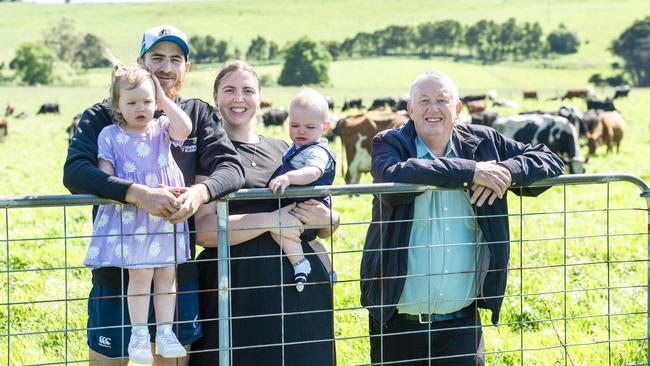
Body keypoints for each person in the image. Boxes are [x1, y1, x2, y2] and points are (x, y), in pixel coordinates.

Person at [63, 24, 244, 365]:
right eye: (157, 57)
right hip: (117, 268)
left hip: (172, 269)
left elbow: (231, 169)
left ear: (186, 68)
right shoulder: (104, 115)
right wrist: (136, 194)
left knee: (168, 358)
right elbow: (75, 172)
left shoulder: (195, 114)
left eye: (175, 59)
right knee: (109, 359)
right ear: (140, 62)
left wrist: (198, 194)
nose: (165, 66)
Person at [360, 70, 564, 365]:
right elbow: (391, 180)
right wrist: (471, 172)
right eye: (425, 100)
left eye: (442, 100)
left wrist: (505, 172)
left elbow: (549, 160)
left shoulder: (484, 142)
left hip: (461, 324)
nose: (433, 108)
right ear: (410, 109)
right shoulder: (390, 143)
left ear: (457, 109)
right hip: (397, 320)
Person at [191, 60, 339, 365]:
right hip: (235, 291)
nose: (239, 98)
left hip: (298, 291)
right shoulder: (208, 151)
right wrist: (271, 220)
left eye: (248, 90)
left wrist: (329, 220)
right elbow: (204, 230)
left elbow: (323, 220)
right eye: (229, 90)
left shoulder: (286, 149)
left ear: (260, 97)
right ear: (216, 96)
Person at [84, 64, 193, 364]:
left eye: (146, 101)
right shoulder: (110, 135)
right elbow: (106, 177)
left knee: (167, 274)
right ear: (117, 105)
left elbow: (184, 127)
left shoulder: (161, 128)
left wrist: (162, 99)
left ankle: (166, 331)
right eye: (131, 102)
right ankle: (140, 335)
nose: (141, 108)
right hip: (134, 217)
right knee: (142, 273)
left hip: (165, 215)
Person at [268, 87, 336, 291]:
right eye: (294, 125)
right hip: (301, 203)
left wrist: (288, 177)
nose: (301, 131)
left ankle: (300, 264)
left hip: (309, 204)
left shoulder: (317, 151)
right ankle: (328, 272)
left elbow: (313, 172)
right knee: (311, 241)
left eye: (309, 127)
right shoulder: (295, 147)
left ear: (325, 127)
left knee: (281, 230)